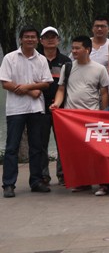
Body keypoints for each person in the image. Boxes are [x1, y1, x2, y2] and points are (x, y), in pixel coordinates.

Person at [51, 35, 109, 192]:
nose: (74, 51)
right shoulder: (67, 67)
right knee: (77, 152)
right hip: (72, 119)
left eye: (77, 48)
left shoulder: (100, 69)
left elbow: (104, 93)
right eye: (73, 48)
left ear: (87, 49)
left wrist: (105, 114)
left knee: (96, 152)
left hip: (92, 117)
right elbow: (61, 89)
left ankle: (102, 182)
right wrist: (57, 104)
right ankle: (83, 182)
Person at [0, 26, 53, 197]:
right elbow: (5, 83)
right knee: (12, 147)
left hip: (36, 109)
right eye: (26, 37)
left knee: (36, 146)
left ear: (37, 40)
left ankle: (36, 181)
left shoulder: (41, 59)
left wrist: (27, 87)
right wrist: (30, 91)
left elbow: (46, 83)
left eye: (33, 37)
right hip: (16, 109)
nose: (30, 39)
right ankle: (9, 184)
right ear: (21, 39)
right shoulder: (10, 58)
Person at [38, 26, 71, 185]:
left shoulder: (66, 61)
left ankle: (63, 174)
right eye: (47, 37)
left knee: (63, 143)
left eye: (53, 37)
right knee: (41, 143)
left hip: (61, 109)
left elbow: (68, 85)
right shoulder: (36, 59)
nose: (50, 40)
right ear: (41, 41)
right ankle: (43, 175)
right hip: (39, 107)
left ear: (58, 40)